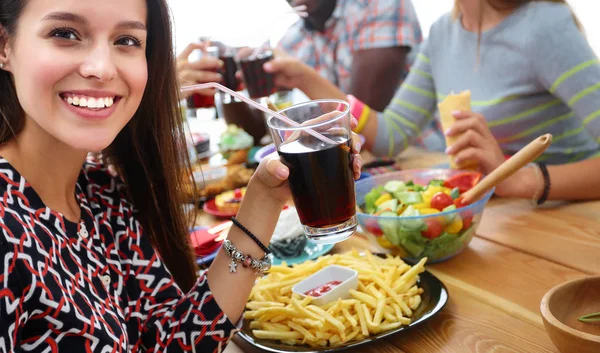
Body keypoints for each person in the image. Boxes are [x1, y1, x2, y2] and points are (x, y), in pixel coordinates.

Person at [0, 0, 361, 352]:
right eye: (65, 33)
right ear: (5, 46)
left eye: (126, 41)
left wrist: (265, 196)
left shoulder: (102, 193)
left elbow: (172, 340)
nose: (102, 68)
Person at [266, 0, 600, 202]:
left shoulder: (545, 26)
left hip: (571, 212)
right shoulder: (443, 33)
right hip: (506, 217)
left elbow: (515, 182)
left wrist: (523, 180)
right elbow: (391, 135)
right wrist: (302, 77)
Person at [279, 0, 422, 112]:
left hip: (415, 148)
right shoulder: (290, 41)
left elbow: (361, 119)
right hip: (347, 147)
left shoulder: (378, 5)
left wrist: (301, 76)